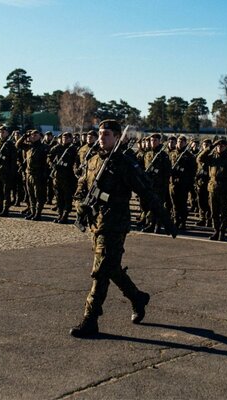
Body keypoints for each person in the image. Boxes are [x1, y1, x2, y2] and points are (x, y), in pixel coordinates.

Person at [70, 119, 176, 338]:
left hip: (115, 224)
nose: (101, 137)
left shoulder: (125, 162)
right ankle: (137, 297)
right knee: (112, 269)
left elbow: (146, 190)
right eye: (100, 133)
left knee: (100, 271)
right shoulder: (92, 160)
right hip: (96, 223)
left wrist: (165, 218)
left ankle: (90, 319)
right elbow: (81, 188)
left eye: (107, 134)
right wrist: (79, 205)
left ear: (118, 137)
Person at [197, 137, 227, 241]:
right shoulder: (212, 157)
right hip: (212, 188)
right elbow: (199, 158)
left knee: (223, 212)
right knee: (214, 212)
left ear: (226, 147)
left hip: (225, 188)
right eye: (218, 146)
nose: (219, 147)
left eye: (222, 146)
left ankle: (222, 232)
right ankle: (216, 231)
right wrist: (209, 148)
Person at [48, 132, 78, 223]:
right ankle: (60, 214)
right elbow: (49, 157)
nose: (65, 139)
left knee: (67, 198)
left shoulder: (73, 149)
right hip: (57, 177)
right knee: (58, 197)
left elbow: (76, 162)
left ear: (70, 139)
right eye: (63, 137)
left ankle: (65, 215)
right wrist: (52, 164)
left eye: (67, 138)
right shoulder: (56, 148)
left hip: (68, 178)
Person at [168, 135, 197, 230]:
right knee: (174, 204)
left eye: (182, 142)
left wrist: (189, 183)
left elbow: (192, 171)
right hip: (173, 183)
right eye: (179, 141)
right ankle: (176, 220)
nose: (180, 143)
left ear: (185, 143)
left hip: (183, 184)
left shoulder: (189, 156)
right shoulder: (172, 154)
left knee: (182, 204)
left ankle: (183, 222)